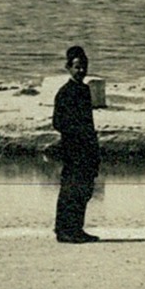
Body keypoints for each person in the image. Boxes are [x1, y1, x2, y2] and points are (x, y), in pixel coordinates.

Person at [52, 45, 100, 243]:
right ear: (68, 67)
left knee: (84, 189)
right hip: (73, 147)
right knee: (71, 189)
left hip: (86, 146)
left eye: (84, 66)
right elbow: (57, 122)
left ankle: (76, 229)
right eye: (77, 67)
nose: (81, 70)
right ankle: (64, 230)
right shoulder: (65, 92)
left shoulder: (84, 89)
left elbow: (88, 121)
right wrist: (75, 136)